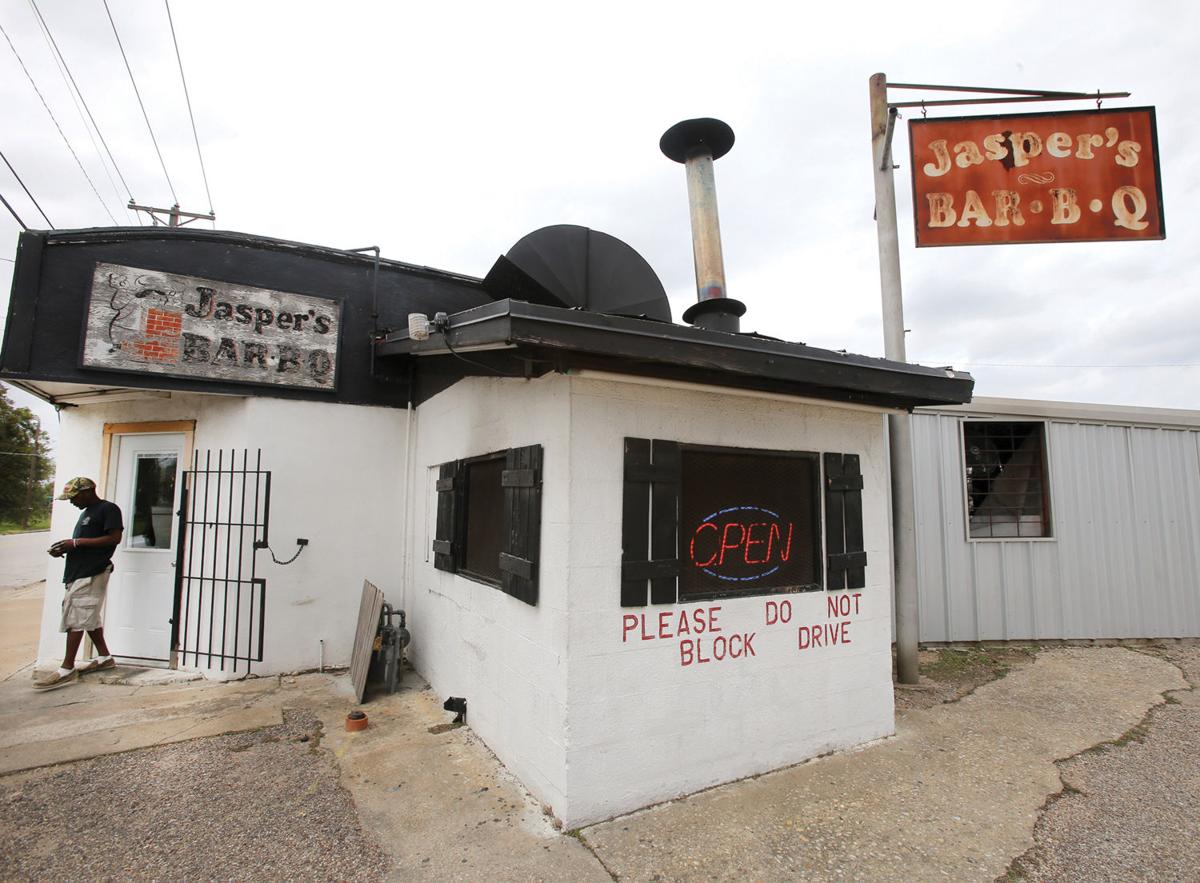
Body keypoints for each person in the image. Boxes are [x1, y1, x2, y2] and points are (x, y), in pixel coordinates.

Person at [33, 477, 124, 691]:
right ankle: (104, 658)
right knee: (87, 616)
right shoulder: (86, 513)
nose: (72, 502)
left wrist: (76, 543)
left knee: (76, 617)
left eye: (74, 497)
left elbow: (114, 538)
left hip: (93, 571)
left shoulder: (108, 509)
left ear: (88, 491)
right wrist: (65, 548)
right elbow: (83, 544)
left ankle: (67, 668)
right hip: (79, 572)